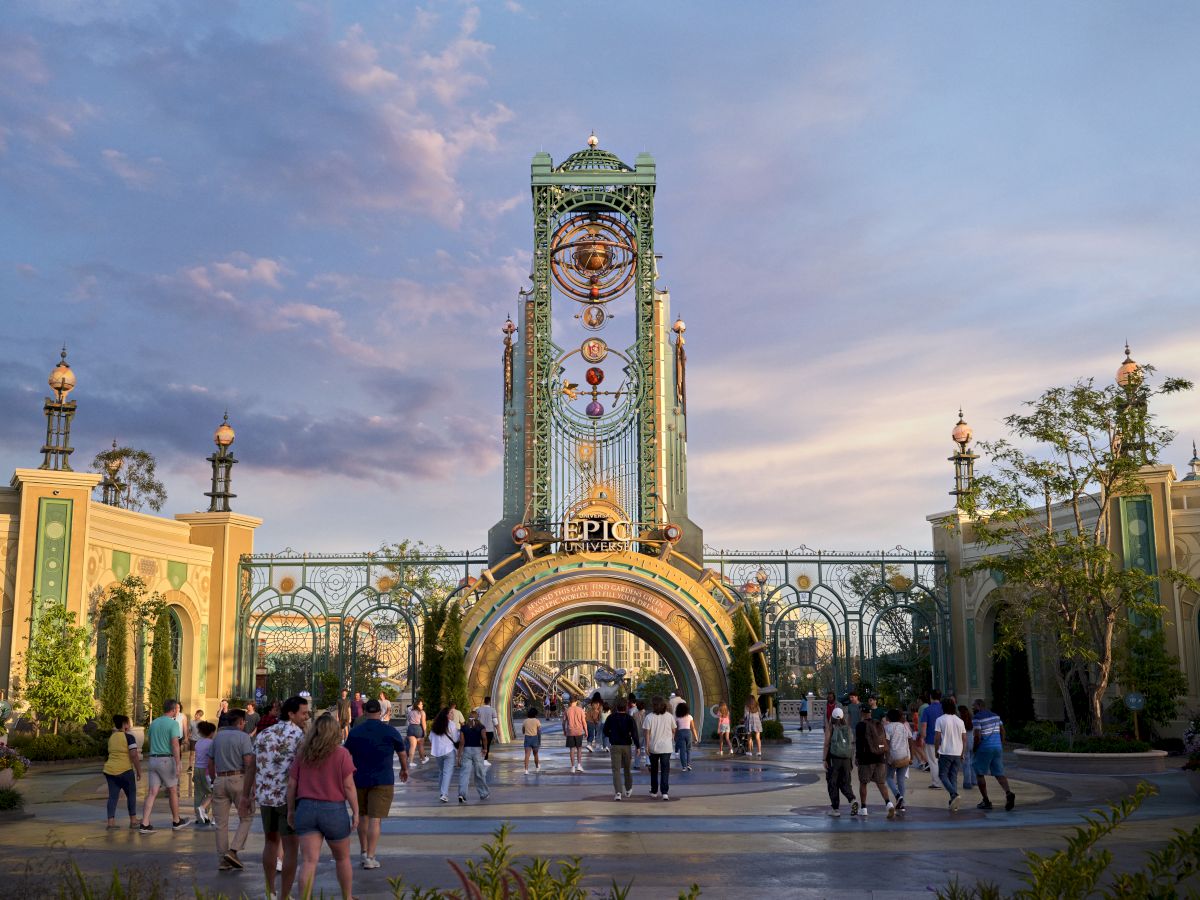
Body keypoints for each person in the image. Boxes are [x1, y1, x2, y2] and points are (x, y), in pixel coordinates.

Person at [243, 695, 309, 896]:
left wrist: (245, 796)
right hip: (289, 800)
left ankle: (270, 890)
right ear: (291, 714)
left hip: (266, 798)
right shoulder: (300, 737)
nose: (307, 717)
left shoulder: (264, 734)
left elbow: (252, 767)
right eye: (303, 713)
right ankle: (285, 894)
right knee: (290, 848)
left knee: (270, 843)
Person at [287, 713, 358, 900]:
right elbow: (349, 786)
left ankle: (304, 897)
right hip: (333, 810)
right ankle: (347, 897)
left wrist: (290, 810)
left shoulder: (303, 753)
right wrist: (356, 811)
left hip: (306, 808)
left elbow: (292, 784)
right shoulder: (341, 754)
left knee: (309, 861)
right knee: (342, 858)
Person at [344, 698, 408, 867]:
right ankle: (371, 857)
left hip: (359, 779)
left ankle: (363, 852)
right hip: (383, 779)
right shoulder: (390, 731)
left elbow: (345, 755)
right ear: (380, 712)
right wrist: (404, 769)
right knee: (375, 819)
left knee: (362, 816)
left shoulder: (355, 732)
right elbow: (402, 753)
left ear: (365, 712)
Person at [210, 709, 255, 871]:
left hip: (220, 779)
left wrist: (214, 778)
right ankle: (233, 850)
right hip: (239, 778)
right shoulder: (244, 737)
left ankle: (223, 859)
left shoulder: (217, 737)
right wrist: (253, 785)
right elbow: (248, 762)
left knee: (221, 823)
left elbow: (210, 760)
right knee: (247, 816)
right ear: (241, 722)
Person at [139, 699, 190, 833]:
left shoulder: (154, 723)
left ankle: (144, 823)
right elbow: (175, 744)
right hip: (166, 760)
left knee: (152, 792)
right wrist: (178, 763)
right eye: (176, 710)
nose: (177, 712)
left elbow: (149, 741)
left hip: (153, 759)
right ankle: (176, 820)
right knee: (173, 790)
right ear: (173, 710)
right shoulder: (173, 724)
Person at [971, 699, 1016, 811]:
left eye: (974, 706)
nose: (972, 709)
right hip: (997, 747)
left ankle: (986, 801)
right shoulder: (996, 716)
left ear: (979, 706)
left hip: (984, 748)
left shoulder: (977, 718)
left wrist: (974, 748)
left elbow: (977, 736)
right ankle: (1008, 792)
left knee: (980, 774)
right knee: (999, 773)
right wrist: (1001, 742)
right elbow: (1003, 731)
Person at [854, 703, 896, 819]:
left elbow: (859, 743)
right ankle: (889, 804)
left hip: (866, 758)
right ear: (870, 713)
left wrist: (857, 757)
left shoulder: (860, 725)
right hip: (880, 757)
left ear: (862, 713)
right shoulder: (878, 724)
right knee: (881, 783)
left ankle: (863, 808)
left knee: (863, 782)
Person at [104, 714, 142, 829]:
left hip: (109, 770)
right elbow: (134, 755)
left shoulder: (112, 737)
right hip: (125, 770)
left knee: (113, 796)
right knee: (131, 794)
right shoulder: (129, 737)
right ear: (125, 725)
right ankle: (133, 820)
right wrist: (139, 771)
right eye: (129, 722)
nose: (130, 724)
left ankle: (110, 823)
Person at [603, 698, 640, 800]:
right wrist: (637, 746)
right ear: (626, 707)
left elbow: (605, 731)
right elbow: (634, 733)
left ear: (616, 707)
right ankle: (628, 789)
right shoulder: (629, 718)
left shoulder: (611, 718)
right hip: (627, 746)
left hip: (615, 745)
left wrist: (611, 735)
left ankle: (618, 792)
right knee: (627, 768)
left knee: (616, 770)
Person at [934, 697, 967, 813]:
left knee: (942, 775)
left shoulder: (940, 720)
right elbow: (964, 739)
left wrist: (936, 750)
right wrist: (962, 753)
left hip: (945, 752)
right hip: (958, 752)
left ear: (943, 707)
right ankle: (953, 802)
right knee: (953, 777)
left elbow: (937, 737)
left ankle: (954, 794)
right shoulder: (960, 721)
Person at [823, 707, 857, 816]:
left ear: (832, 717)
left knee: (832, 783)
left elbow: (827, 744)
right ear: (843, 716)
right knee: (845, 782)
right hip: (846, 759)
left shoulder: (831, 727)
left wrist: (824, 759)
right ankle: (852, 800)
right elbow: (852, 744)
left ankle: (835, 809)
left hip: (834, 759)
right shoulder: (847, 728)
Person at [643, 696, 676, 800]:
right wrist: (671, 737)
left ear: (653, 706)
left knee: (654, 770)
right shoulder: (669, 716)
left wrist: (647, 746)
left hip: (654, 747)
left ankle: (654, 791)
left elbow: (647, 734)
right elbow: (674, 730)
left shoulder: (649, 717)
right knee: (665, 770)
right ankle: (665, 792)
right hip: (666, 748)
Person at [884, 708, 915, 814]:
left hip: (894, 756)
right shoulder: (905, 726)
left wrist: (887, 757)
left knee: (888, 777)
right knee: (901, 780)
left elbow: (886, 744)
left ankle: (898, 795)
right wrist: (912, 756)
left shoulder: (887, 728)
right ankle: (902, 805)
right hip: (905, 756)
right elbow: (910, 741)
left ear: (889, 717)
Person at [429, 706, 460, 802]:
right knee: (447, 773)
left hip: (438, 752)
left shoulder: (435, 725)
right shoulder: (451, 724)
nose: (453, 714)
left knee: (442, 772)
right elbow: (455, 739)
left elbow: (430, 738)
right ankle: (444, 794)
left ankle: (442, 792)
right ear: (446, 715)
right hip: (449, 751)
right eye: (451, 713)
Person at [457, 709, 489, 804]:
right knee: (479, 773)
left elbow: (462, 742)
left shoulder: (464, 727)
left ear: (469, 717)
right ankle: (483, 793)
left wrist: (459, 756)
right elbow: (484, 738)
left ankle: (462, 794)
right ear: (477, 717)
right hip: (477, 751)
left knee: (464, 774)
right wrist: (485, 749)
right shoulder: (481, 727)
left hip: (466, 751)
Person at [192, 721, 217, 826]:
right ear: (211, 733)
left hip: (197, 769)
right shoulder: (212, 743)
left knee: (198, 793)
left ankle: (200, 818)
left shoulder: (198, 743)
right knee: (213, 793)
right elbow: (213, 759)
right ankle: (212, 817)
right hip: (207, 770)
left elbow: (197, 757)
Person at [920, 690, 944, 787]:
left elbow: (924, 725)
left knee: (933, 761)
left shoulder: (927, 710)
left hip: (931, 739)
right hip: (945, 739)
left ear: (931, 697)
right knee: (943, 761)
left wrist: (922, 737)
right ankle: (945, 781)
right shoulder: (944, 708)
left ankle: (936, 783)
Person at [563, 696, 587, 773]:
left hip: (570, 732)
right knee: (579, 749)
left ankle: (573, 766)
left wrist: (564, 730)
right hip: (579, 732)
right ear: (576, 701)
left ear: (570, 701)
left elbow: (563, 722)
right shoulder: (580, 710)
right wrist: (586, 731)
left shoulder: (567, 710)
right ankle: (579, 765)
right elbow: (584, 722)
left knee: (572, 749)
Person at [674, 702, 699, 771]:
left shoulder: (677, 718)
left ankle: (684, 767)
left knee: (682, 751)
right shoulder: (690, 717)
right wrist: (696, 737)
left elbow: (676, 728)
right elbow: (693, 728)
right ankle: (688, 765)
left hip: (680, 733)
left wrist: (674, 736)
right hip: (688, 733)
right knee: (688, 750)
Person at [958, 705, 977, 790]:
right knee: (972, 762)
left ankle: (967, 782)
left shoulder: (961, 721)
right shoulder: (972, 719)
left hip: (965, 742)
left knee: (966, 763)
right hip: (972, 741)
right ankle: (974, 780)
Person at [477, 696, 498, 763]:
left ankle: (480, 757)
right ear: (489, 702)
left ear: (484, 701)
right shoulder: (492, 710)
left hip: (479, 730)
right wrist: (498, 730)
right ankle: (485, 759)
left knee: (480, 744)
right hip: (489, 730)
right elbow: (495, 721)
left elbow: (476, 720)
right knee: (487, 745)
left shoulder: (479, 709)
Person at [522, 706, 542, 774]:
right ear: (535, 714)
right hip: (535, 738)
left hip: (527, 738)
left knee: (527, 755)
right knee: (535, 754)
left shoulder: (525, 721)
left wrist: (526, 731)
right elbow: (539, 731)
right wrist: (539, 741)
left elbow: (523, 731)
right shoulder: (537, 721)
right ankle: (537, 767)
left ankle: (526, 770)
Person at [406, 699, 427, 763]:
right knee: (420, 746)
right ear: (418, 705)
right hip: (418, 728)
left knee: (412, 746)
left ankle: (411, 762)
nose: (422, 705)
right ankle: (423, 759)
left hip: (411, 728)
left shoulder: (410, 712)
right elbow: (423, 723)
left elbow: (409, 720)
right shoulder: (422, 712)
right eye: (421, 704)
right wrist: (425, 731)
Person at [188, 709, 205, 779]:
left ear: (200, 716)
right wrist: (188, 735)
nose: (196, 716)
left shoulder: (202, 723)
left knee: (199, 754)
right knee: (192, 753)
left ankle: (198, 767)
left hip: (200, 740)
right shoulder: (191, 722)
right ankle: (190, 767)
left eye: (198, 715)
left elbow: (204, 732)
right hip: (193, 739)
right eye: (196, 714)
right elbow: (189, 730)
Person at [632, 699, 648, 768]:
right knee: (648, 748)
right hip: (646, 733)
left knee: (637, 749)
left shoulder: (635, 715)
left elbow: (632, 725)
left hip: (638, 734)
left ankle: (637, 764)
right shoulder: (647, 714)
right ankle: (648, 762)